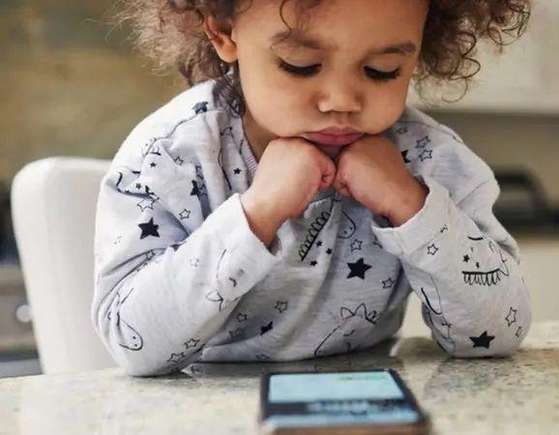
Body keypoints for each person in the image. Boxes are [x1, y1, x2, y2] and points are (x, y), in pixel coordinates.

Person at [92, 0, 533, 376]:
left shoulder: (427, 159)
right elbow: (133, 343)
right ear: (225, 33)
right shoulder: (168, 156)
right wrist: (257, 213)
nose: (342, 100)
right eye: (300, 65)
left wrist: (410, 205)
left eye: (383, 71)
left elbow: (497, 333)